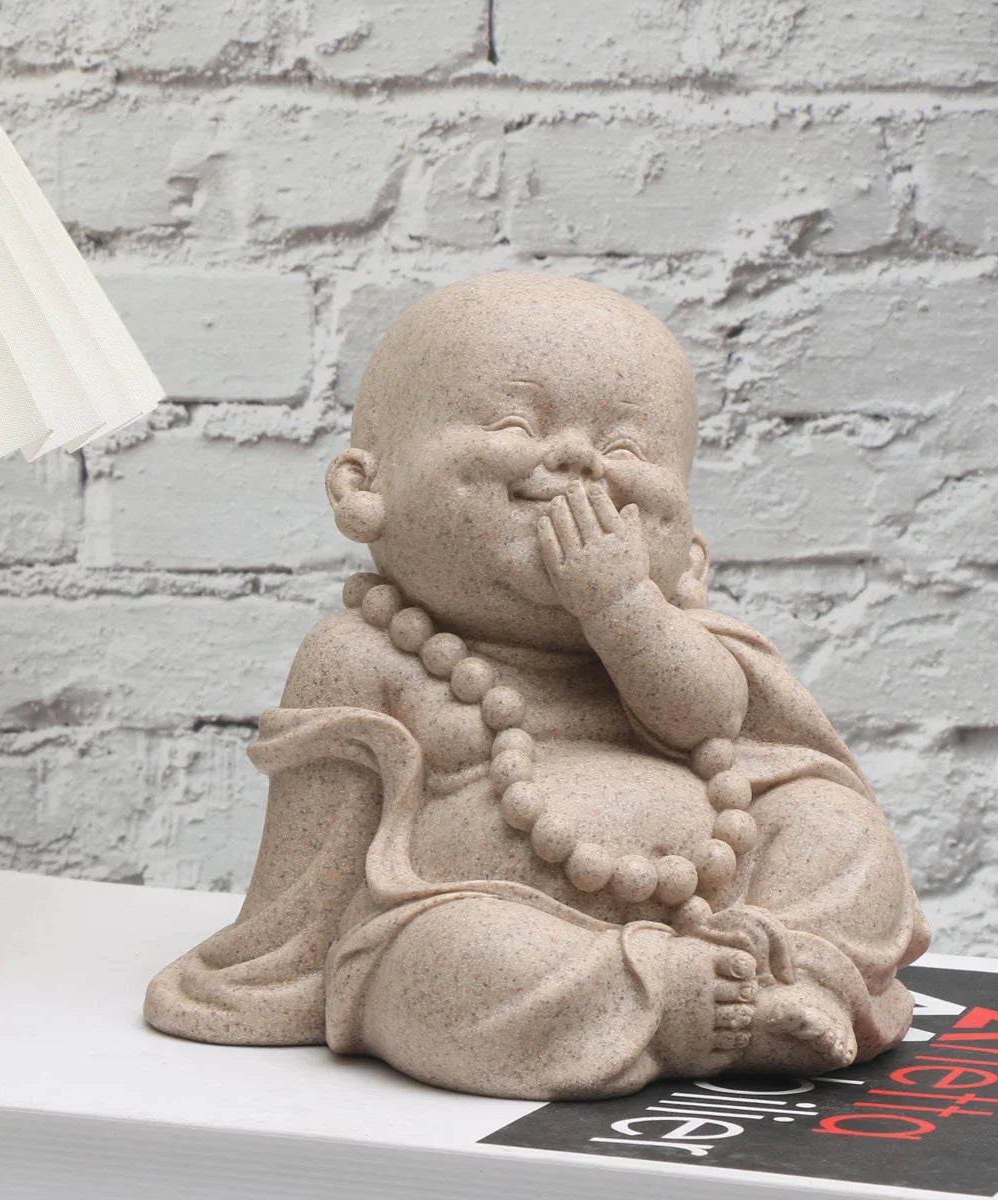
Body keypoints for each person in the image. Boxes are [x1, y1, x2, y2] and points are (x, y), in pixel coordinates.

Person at [145, 272, 929, 1100]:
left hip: (723, 894)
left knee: (837, 824)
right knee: (436, 963)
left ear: (691, 551)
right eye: (518, 424)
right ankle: (674, 1004)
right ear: (362, 488)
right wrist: (283, 973)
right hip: (499, 924)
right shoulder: (364, 654)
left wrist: (622, 607)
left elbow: (708, 720)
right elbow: (313, 877)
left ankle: (794, 971)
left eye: (627, 449)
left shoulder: (674, 632)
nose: (580, 460)